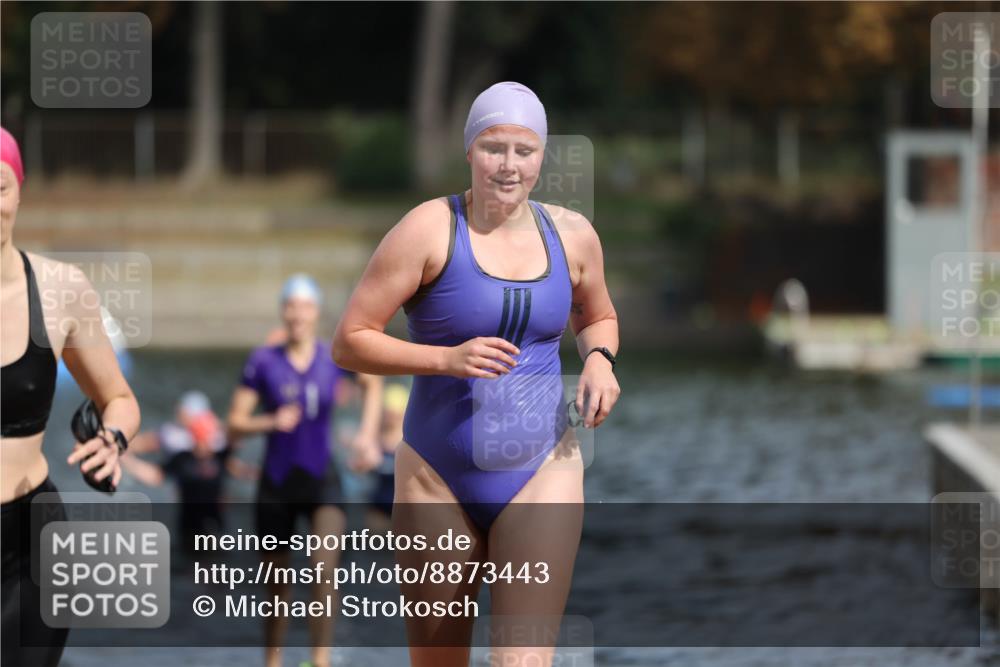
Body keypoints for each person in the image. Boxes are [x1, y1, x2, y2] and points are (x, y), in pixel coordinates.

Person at [332, 82, 621, 666]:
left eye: (524, 149)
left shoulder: (573, 234)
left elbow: (598, 314)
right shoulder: (427, 229)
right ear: (469, 150)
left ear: (542, 155)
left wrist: (598, 359)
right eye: (494, 147)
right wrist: (444, 358)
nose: (508, 165)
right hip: (436, 475)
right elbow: (350, 342)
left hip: (542, 469)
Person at [0, 126, 141, 666]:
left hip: (30, 545)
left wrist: (114, 439)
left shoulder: (61, 289)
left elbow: (119, 398)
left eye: (2, 186)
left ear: (21, 193)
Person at [227, 273, 383, 667]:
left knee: (322, 572)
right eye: (291, 306)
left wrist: (367, 436)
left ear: (316, 313)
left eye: (305, 306)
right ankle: (273, 661)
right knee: (277, 587)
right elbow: (234, 422)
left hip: (322, 479)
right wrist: (270, 421)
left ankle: (320, 661)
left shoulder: (333, 355)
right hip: (276, 483)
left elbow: (373, 383)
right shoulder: (263, 360)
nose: (298, 314)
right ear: (283, 312)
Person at [121, 391, 254, 554]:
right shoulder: (182, 458)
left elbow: (236, 443)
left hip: (215, 525)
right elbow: (156, 474)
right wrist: (126, 459)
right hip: (189, 526)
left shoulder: (220, 457)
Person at [366, 382, 410, 531]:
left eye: (395, 413)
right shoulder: (373, 441)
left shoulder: (409, 443)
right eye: (389, 413)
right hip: (378, 505)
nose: (392, 417)